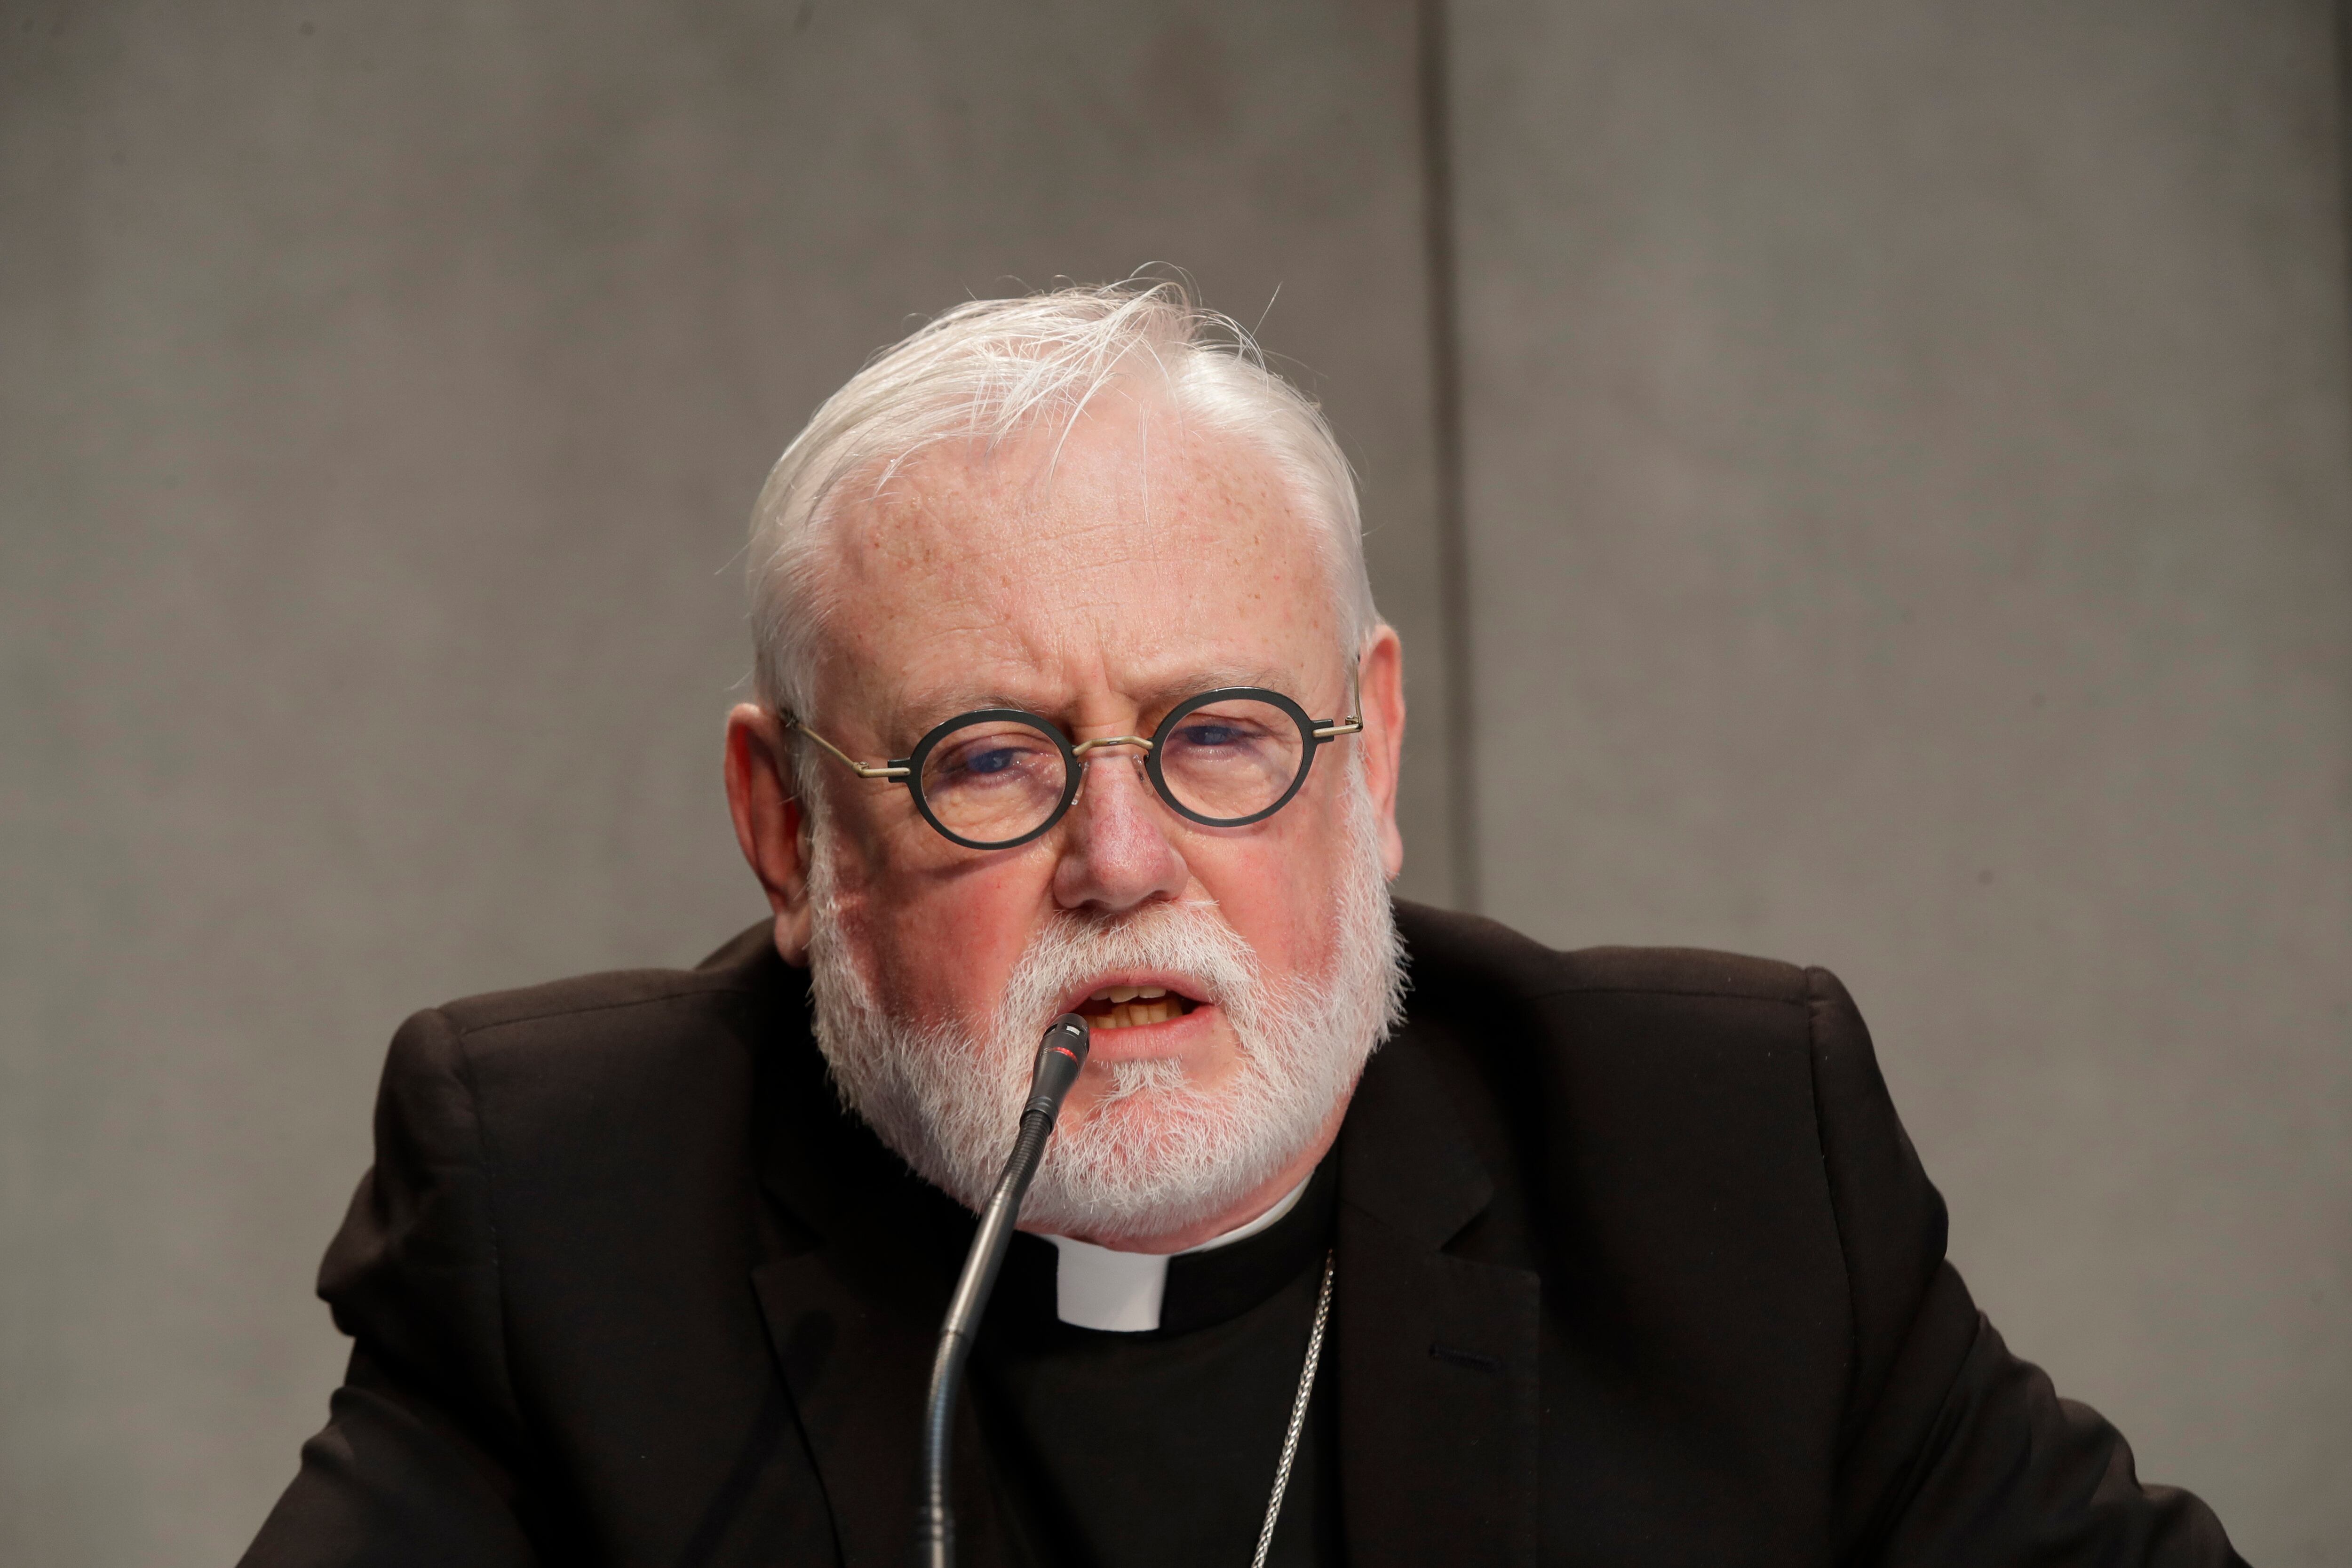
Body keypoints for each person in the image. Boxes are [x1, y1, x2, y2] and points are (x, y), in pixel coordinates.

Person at [242, 281, 2245, 1568]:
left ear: (1370, 754)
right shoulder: (565, 1215)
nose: (1121, 859)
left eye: (1217, 736)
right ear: (787, 833)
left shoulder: (1714, 1164)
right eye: (992, 760)